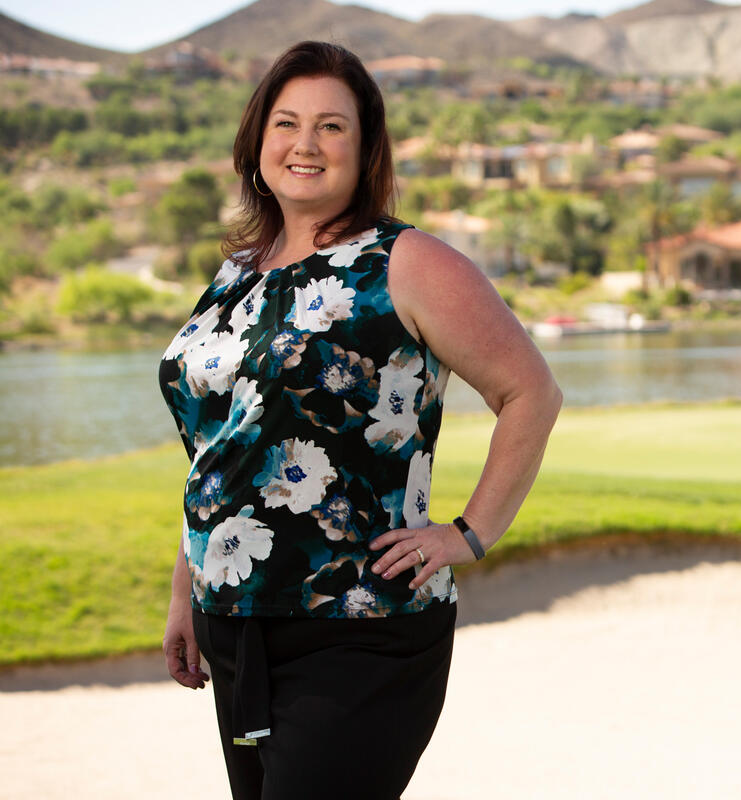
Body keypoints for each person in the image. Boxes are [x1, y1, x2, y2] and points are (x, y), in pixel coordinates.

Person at [158, 40, 561, 799]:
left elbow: (531, 392)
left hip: (358, 622)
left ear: (366, 147)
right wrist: (186, 591)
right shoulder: (235, 275)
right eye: (287, 122)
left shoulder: (405, 262)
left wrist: (470, 532)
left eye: (332, 126)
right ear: (257, 141)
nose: (305, 144)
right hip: (235, 622)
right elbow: (217, 450)